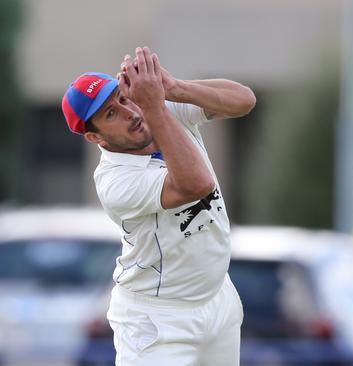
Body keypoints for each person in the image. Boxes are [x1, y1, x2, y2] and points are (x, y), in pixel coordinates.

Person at [61, 46, 256, 365]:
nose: (130, 113)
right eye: (111, 114)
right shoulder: (114, 180)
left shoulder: (159, 109)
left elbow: (244, 100)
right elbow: (197, 185)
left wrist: (174, 88)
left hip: (217, 297)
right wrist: (157, 108)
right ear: (95, 138)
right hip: (157, 319)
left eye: (123, 98)